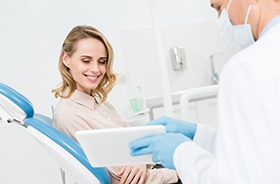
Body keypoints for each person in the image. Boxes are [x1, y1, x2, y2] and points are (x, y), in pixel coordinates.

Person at [129, 0, 280, 183]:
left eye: (219, 8)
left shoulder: (248, 66)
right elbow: (265, 149)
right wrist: (199, 135)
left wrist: (181, 153)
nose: (220, 19)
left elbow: (239, 178)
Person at [51, 25, 180, 184]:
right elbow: (122, 179)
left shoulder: (99, 103)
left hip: (156, 170)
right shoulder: (69, 116)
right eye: (86, 61)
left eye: (102, 62)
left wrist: (139, 160)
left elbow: (133, 148)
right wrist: (178, 172)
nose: (95, 69)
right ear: (66, 59)